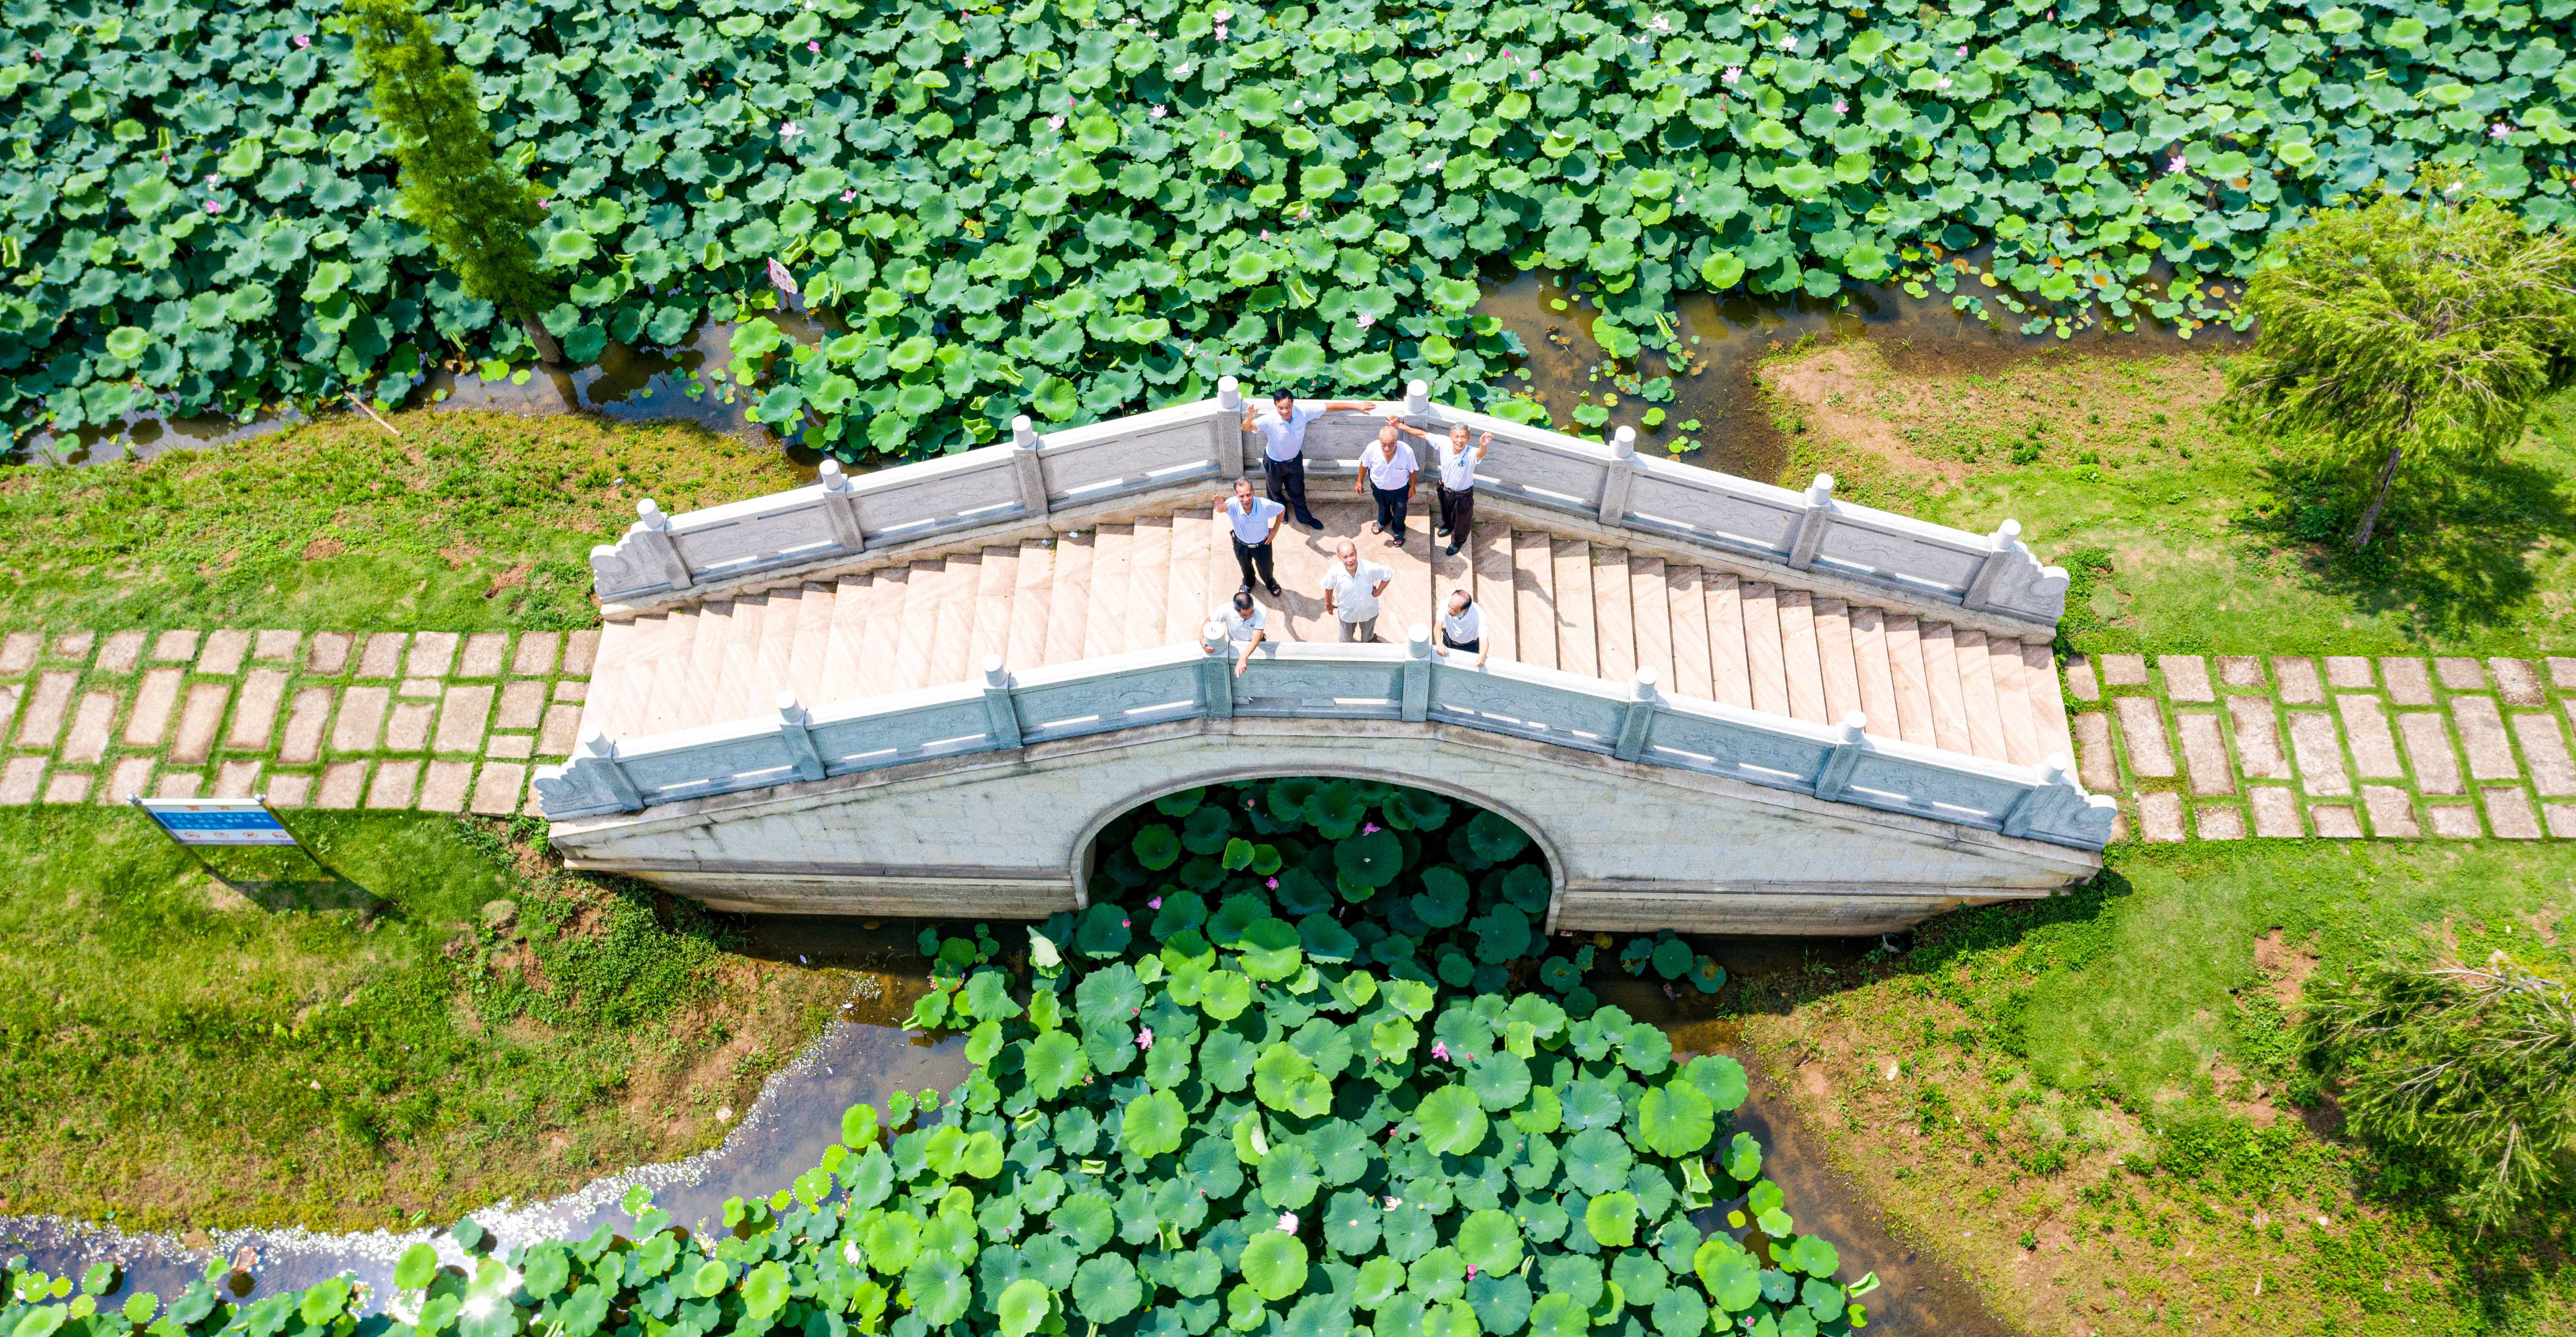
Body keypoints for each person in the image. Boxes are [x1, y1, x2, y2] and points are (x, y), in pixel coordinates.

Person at [1245, 391, 1373, 531]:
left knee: (1298, 490)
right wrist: (1249, 418)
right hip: (1274, 462)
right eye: (1280, 408)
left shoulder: (1303, 412)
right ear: (1275, 406)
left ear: (1293, 404)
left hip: (1294, 461)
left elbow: (1330, 406)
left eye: (1288, 407)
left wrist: (1356, 406)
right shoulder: (1269, 419)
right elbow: (1246, 428)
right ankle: (1279, 511)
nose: (1284, 411)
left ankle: (1304, 517)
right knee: (1274, 490)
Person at [1213, 477, 1286, 598]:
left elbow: (1281, 510)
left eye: (1248, 495)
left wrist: (1275, 530)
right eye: (1241, 496)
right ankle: (1248, 582)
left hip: (1263, 545)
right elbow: (1223, 509)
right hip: (1241, 545)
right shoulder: (1233, 504)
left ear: (1254, 492)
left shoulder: (1265, 505)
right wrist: (1220, 507)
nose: (1246, 499)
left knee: (1266, 567)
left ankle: (1269, 582)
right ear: (1236, 495)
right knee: (1245, 566)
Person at [1352, 418, 1419, 546]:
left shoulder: (1407, 452)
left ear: (1397, 441)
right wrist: (1359, 481)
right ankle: (1384, 520)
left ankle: (1399, 530)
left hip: (1400, 490)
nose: (1387, 448)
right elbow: (1364, 465)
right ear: (1379, 439)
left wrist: (1412, 487)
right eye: (1384, 444)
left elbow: (1413, 470)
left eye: (1391, 444)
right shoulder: (1371, 449)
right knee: (1382, 505)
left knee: (1400, 511)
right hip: (1378, 487)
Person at [1319, 539, 1394, 643]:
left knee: (1368, 634)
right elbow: (1328, 587)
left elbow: (1388, 574)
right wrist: (1328, 604)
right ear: (1339, 557)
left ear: (1356, 553)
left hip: (1369, 610)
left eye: (1352, 555)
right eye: (1345, 557)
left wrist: (1378, 592)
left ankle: (1369, 639)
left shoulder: (1368, 568)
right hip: (1347, 613)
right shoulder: (1335, 571)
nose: (1350, 560)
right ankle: (1346, 643)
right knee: (1346, 638)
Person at [1434, 587, 1486, 667]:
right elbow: (1437, 626)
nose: (1449, 610)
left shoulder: (1479, 615)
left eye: (1454, 610)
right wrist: (1439, 644)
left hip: (1470, 646)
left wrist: (1482, 657)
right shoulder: (1446, 604)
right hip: (1448, 640)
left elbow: (1484, 639)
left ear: (1465, 610)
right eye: (1449, 606)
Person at [1220, 589, 1267, 676]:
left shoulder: (1261, 610)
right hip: (1236, 643)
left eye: (1252, 612)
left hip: (1257, 642)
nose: (1249, 616)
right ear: (1235, 610)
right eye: (1244, 615)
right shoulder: (1226, 609)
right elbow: (1210, 620)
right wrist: (1202, 638)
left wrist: (1243, 658)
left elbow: (1256, 639)